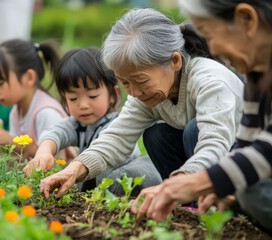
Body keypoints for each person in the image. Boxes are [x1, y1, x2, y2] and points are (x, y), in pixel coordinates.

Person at [39, 8, 244, 199]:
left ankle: (223, 202)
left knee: (194, 131)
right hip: (209, 164)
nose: (134, 92)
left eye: (141, 81)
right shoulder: (147, 96)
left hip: (247, 159)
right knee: (157, 136)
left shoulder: (211, 81)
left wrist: (178, 184)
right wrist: (74, 169)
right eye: (125, 82)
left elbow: (214, 143)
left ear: (175, 61)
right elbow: (116, 138)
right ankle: (191, 201)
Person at [129, 0, 272, 234]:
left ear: (247, 20)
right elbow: (248, 144)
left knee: (252, 192)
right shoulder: (257, 75)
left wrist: (196, 182)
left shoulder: (211, 76)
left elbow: (267, 149)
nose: (212, 49)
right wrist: (223, 186)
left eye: (210, 34)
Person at [23, 48, 161, 195]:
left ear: (113, 95)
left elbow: (116, 151)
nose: (83, 105)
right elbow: (56, 132)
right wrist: (44, 152)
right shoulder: (76, 125)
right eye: (73, 98)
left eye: (93, 96)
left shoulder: (118, 122)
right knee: (89, 181)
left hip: (126, 174)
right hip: (99, 181)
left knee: (132, 173)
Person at [0, 39, 75, 160]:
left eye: (0, 83)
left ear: (29, 78)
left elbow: (56, 160)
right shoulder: (16, 111)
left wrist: (12, 142)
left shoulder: (46, 113)